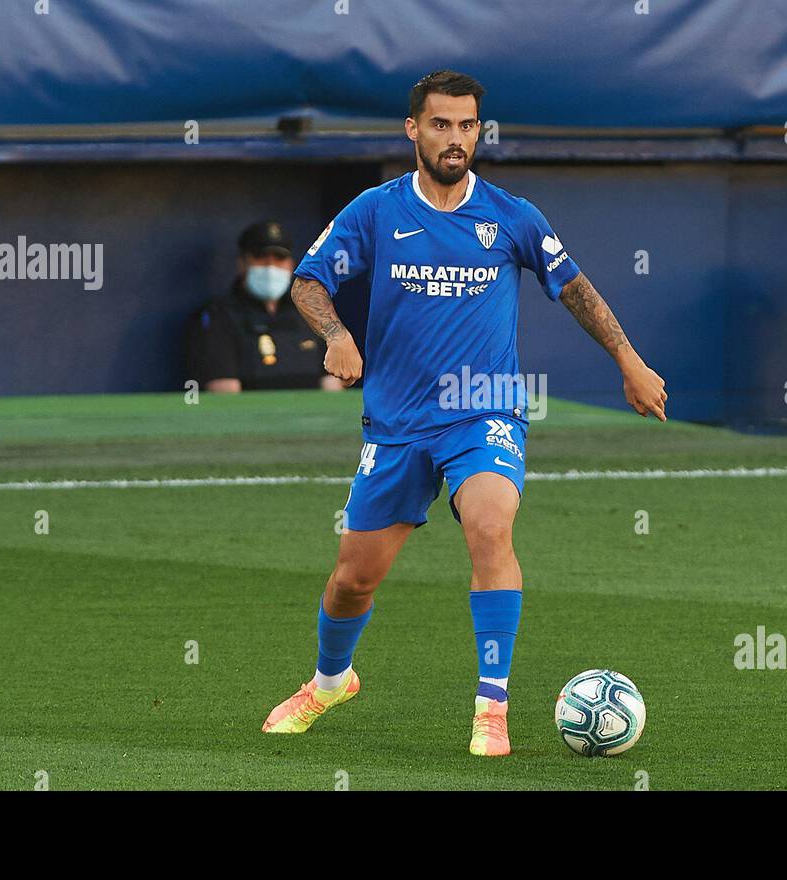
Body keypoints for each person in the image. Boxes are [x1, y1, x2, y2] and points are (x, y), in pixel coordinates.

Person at [261, 70, 667, 756]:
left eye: (468, 125)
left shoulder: (512, 216)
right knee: (354, 578)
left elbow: (575, 290)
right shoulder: (376, 211)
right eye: (442, 124)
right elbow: (308, 281)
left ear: (480, 130)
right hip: (396, 422)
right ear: (413, 129)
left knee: (488, 523)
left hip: (484, 412)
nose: (456, 139)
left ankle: (491, 707)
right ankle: (331, 681)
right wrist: (335, 336)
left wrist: (627, 359)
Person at [184, 221, 341, 392]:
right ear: (242, 263)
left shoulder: (312, 312)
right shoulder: (219, 315)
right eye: (260, 257)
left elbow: (332, 384)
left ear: (291, 264)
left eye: (279, 258)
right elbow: (224, 394)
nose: (270, 266)